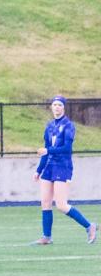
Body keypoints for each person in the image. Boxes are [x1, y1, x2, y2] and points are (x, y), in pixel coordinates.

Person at [32, 95, 97, 245]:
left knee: (61, 205)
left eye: (59, 105)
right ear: (51, 107)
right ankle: (46, 237)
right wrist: (38, 170)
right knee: (45, 202)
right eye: (54, 104)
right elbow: (45, 151)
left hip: (63, 166)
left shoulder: (69, 125)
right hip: (49, 167)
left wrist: (48, 151)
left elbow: (67, 148)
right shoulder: (49, 126)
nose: (56, 107)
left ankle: (89, 226)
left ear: (64, 107)